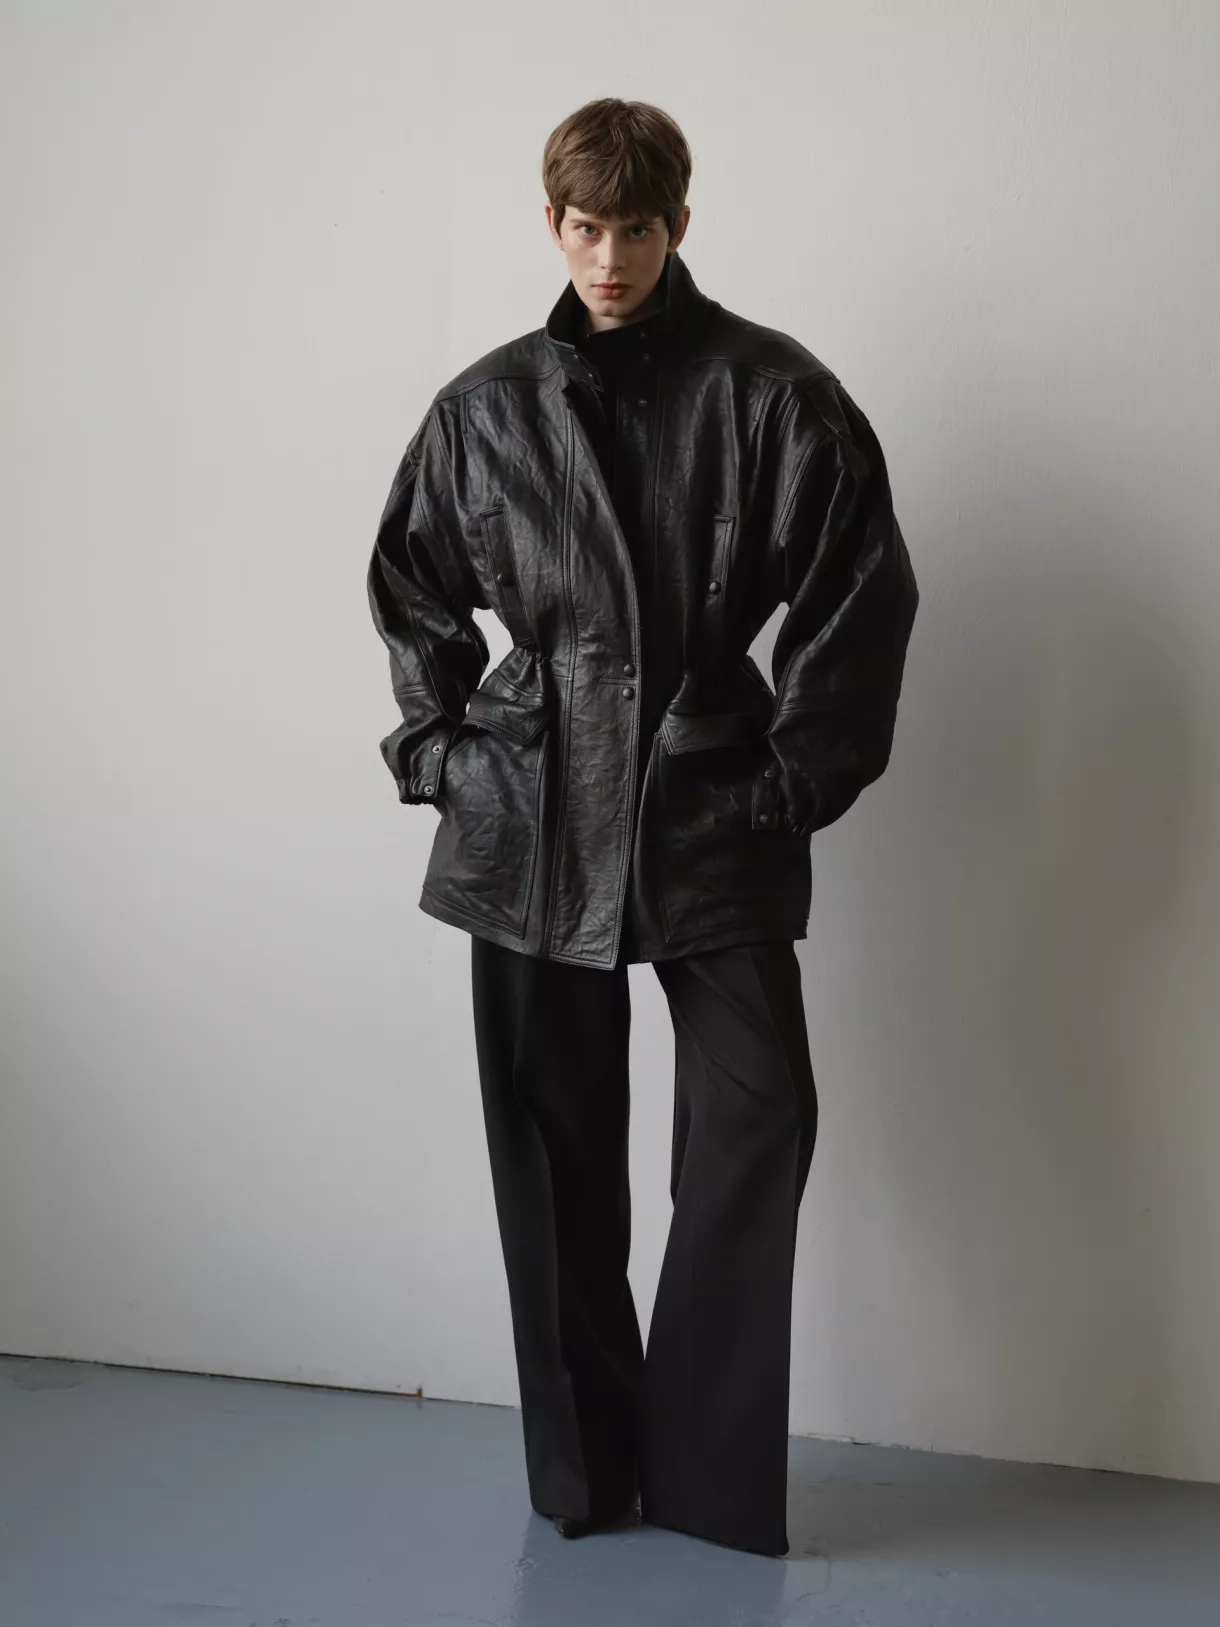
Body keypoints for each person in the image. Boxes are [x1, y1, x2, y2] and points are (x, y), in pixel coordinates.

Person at [366, 97, 919, 1557]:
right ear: (551, 225)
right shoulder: (485, 409)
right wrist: (442, 749)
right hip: (530, 816)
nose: (607, 259)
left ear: (681, 223)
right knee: (551, 1152)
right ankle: (584, 1475)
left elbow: (863, 589)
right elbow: (410, 584)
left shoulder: (774, 394)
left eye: (634, 229)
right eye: (583, 228)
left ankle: (708, 1476)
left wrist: (792, 776)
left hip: (708, 798)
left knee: (760, 1110)